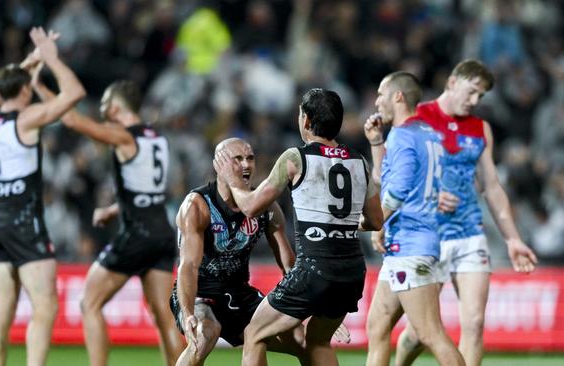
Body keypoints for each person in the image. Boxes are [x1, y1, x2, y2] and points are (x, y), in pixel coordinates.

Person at [385, 60, 538, 366]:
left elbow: (492, 186)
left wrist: (513, 239)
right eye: (472, 92)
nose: (474, 101)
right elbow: (395, 172)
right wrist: (428, 193)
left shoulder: (480, 129)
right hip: (428, 237)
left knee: (474, 323)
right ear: (453, 81)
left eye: (480, 96)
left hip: (469, 232)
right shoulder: (418, 117)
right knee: (420, 330)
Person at [214, 89, 383, 366]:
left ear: (305, 120)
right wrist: (341, 225)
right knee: (318, 341)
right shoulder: (359, 162)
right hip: (352, 272)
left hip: (315, 269)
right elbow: (376, 221)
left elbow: (251, 207)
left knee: (254, 333)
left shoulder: (295, 158)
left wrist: (232, 180)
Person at [31, 79, 185, 366]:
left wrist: (40, 86)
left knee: (89, 302)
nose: (101, 109)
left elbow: (73, 119)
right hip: (162, 231)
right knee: (163, 316)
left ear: (115, 107)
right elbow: (148, 192)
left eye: (104, 103)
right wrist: (115, 209)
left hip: (137, 233)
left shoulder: (124, 135)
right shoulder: (156, 137)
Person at [0, 27, 85, 366]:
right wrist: (50, 60)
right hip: (26, 222)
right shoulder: (27, 119)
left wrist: (30, 60)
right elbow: (74, 93)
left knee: (2, 308)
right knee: (45, 307)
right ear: (25, 90)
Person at [171, 137, 310, 366]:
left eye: (250, 158)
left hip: (239, 292)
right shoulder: (197, 206)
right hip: (200, 292)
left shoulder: (265, 206)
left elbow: (288, 263)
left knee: (301, 339)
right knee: (206, 334)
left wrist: (311, 305)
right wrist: (187, 314)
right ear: (219, 165)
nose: (246, 165)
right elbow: (188, 266)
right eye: (237, 159)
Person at [363, 71, 465, 366]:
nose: (377, 99)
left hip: (411, 245)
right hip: (406, 244)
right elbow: (387, 177)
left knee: (430, 333)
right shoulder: (427, 134)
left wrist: (374, 221)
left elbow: (397, 189)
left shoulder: (404, 135)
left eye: (382, 93)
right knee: (377, 326)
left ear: (398, 96)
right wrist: (375, 142)